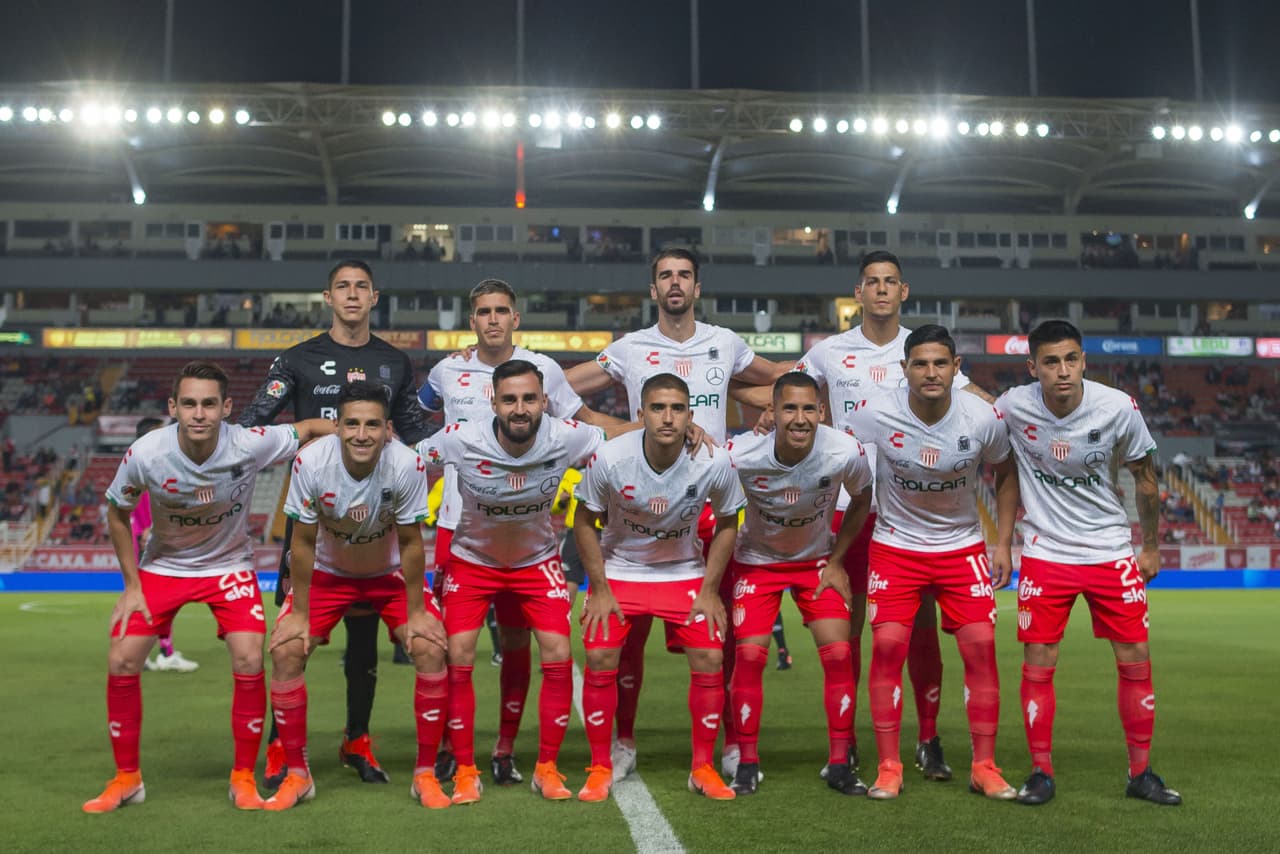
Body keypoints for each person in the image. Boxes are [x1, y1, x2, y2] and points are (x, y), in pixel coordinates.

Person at [564, 247, 789, 782]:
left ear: (697, 286)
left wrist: (773, 409)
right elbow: (559, 387)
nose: (674, 283)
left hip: (711, 504)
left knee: (722, 635)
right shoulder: (630, 348)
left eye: (684, 275)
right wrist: (615, 429)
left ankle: (731, 744)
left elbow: (781, 377)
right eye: (664, 275)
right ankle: (621, 741)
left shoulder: (724, 343)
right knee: (627, 637)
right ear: (652, 289)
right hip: (639, 505)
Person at [773, 249, 993, 781]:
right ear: (859, 292)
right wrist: (761, 406)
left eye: (890, 281)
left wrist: (1024, 412)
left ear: (903, 291)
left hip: (907, 513)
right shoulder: (828, 353)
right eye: (871, 281)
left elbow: (980, 402)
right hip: (846, 507)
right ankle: (844, 743)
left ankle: (928, 739)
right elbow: (790, 391)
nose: (880, 290)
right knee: (845, 628)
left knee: (916, 630)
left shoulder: (924, 351)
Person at [83, 361, 333, 813]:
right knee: (121, 658)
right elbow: (117, 513)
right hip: (164, 567)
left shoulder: (250, 443)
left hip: (229, 567)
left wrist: (358, 433)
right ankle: (127, 778)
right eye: (191, 404)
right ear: (173, 406)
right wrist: (131, 586)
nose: (200, 413)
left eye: (210, 404)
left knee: (248, 656)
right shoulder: (145, 453)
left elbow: (310, 426)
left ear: (227, 407)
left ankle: (242, 777)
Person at [417, 279, 623, 786]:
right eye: (482, 311)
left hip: (530, 545)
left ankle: (508, 750)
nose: (491, 320)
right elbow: (417, 419)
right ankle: (451, 748)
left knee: (518, 643)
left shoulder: (546, 372)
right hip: (460, 530)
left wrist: (650, 426)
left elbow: (591, 429)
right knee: (453, 649)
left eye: (501, 311)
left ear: (515, 318)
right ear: (472, 321)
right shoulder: (448, 370)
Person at [238, 259, 433, 788]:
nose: (352, 295)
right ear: (327, 297)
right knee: (290, 639)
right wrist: (312, 430)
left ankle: (358, 739)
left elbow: (415, 435)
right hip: (312, 521)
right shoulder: (299, 359)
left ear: (375, 297)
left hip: (373, 528)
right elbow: (253, 424)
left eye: (361, 287)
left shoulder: (394, 362)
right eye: (342, 287)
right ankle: (281, 748)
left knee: (364, 647)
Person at [996, 320, 1181, 806]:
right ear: (1032, 367)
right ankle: (1041, 772)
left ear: (1084, 361)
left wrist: (1152, 546)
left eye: (1071, 359)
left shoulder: (1117, 408)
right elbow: (968, 410)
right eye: (1051, 362)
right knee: (1039, 662)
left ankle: (1141, 773)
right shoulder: (1013, 406)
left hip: (1110, 551)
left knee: (1135, 660)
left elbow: (1145, 479)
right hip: (1045, 552)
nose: (1063, 372)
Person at [842, 325, 1019, 801]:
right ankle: (889, 766)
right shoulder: (876, 413)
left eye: (940, 363)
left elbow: (1006, 473)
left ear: (956, 368)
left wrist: (1002, 543)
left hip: (961, 549)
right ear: (904, 370)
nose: (931, 372)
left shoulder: (982, 417)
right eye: (920, 364)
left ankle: (984, 766)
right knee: (887, 650)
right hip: (895, 548)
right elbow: (836, 453)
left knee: (981, 649)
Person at [263, 382, 447, 811]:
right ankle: (297, 773)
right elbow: (303, 543)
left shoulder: (406, 465)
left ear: (387, 430)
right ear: (337, 427)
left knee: (431, 648)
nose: (361, 434)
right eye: (351, 424)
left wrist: (417, 612)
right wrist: (299, 614)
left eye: (371, 425)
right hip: (328, 575)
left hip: (387, 575)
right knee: (287, 649)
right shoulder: (311, 460)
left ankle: (423, 774)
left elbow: (412, 542)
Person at [573, 373, 746, 802]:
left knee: (709, 653)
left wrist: (709, 590)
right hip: (620, 571)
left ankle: (703, 767)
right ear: (641, 414)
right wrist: (598, 588)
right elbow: (583, 520)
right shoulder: (611, 457)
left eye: (677, 409)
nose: (667, 418)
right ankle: (601, 764)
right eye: (657, 408)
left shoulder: (713, 459)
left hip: (683, 572)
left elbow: (728, 523)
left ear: (691, 415)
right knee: (599, 650)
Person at [724, 372, 874, 796]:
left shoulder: (844, 450)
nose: (800, 417)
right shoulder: (740, 453)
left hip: (816, 563)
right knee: (750, 658)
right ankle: (747, 764)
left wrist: (838, 560)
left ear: (822, 412)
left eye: (809, 408)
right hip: (756, 564)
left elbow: (862, 498)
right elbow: (711, 498)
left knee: (840, 653)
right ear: (770, 412)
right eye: (789, 408)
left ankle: (840, 763)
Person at [133, 416, 200, 674]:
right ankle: (164, 653)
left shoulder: (151, 464)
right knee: (158, 600)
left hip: (154, 538)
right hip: (150, 541)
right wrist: (144, 531)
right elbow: (133, 508)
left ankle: (154, 652)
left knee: (155, 600)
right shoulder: (142, 464)